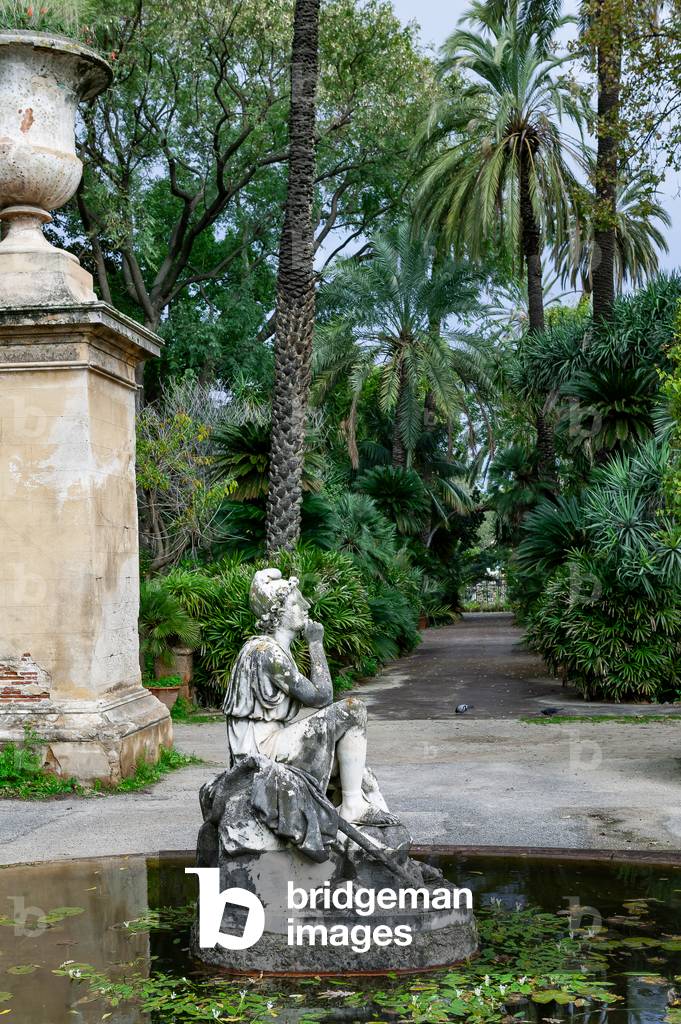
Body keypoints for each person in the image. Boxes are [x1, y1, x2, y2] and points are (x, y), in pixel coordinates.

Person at [221, 568, 389, 825]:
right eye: (295, 602)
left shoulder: (270, 650)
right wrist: (315, 644)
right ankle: (352, 807)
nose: (306, 605)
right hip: (263, 750)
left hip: (271, 741)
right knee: (353, 710)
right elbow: (322, 697)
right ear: (278, 613)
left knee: (359, 773)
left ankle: (356, 806)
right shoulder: (267, 653)